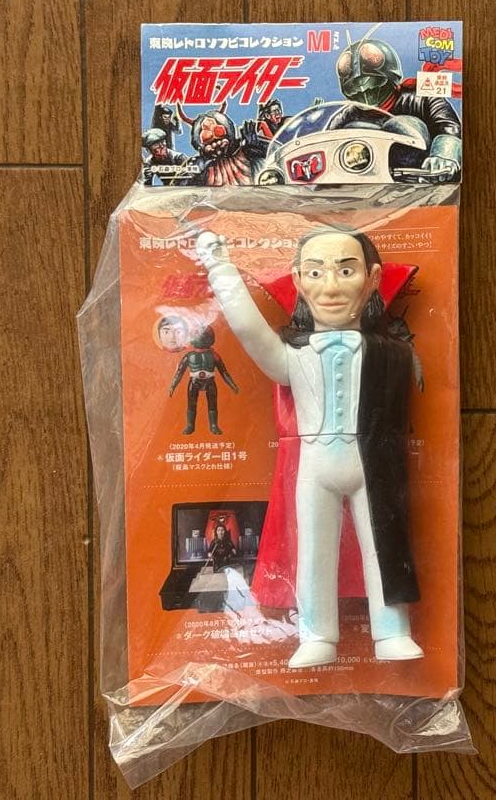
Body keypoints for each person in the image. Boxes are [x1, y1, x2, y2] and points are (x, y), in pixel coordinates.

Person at [196, 225, 422, 668]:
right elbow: (250, 332)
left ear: (373, 278)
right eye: (316, 273)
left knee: (385, 547)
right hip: (315, 465)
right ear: (298, 281)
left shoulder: (389, 353)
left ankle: (392, 629)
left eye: (346, 271)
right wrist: (220, 269)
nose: (331, 287)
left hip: (373, 462)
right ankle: (316, 633)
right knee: (313, 552)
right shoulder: (293, 356)